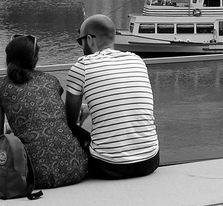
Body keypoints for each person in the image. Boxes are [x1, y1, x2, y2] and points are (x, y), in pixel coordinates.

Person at [0, 34, 88, 189]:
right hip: (76, 168)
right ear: (35, 58)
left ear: (8, 57)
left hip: (34, 174)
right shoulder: (51, 81)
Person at [64, 14, 160, 179]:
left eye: (80, 42)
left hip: (108, 166)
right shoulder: (137, 61)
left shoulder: (82, 67)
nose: (81, 47)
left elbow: (69, 121)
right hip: (150, 161)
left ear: (89, 39)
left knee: (67, 128)